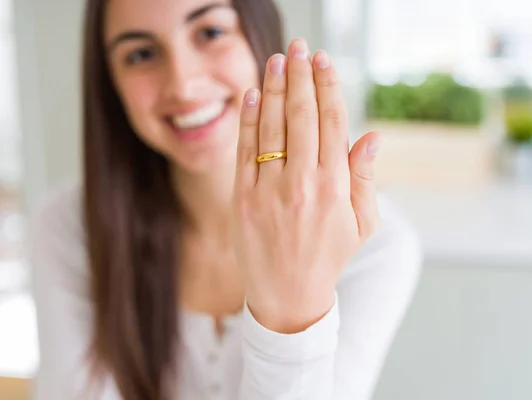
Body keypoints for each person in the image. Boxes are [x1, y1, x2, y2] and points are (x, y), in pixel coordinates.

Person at [29, 0, 422, 399]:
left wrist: (291, 315)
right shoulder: (68, 227)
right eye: (142, 53)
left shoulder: (376, 244)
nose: (183, 84)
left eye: (211, 32)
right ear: (111, 82)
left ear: (260, 34)